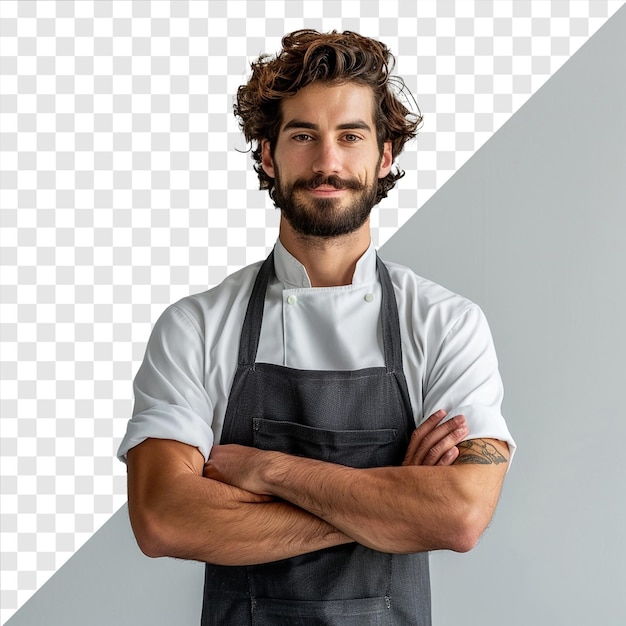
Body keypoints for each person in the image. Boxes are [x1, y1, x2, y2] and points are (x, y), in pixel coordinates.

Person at [118, 29, 515, 625]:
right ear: (268, 154)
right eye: (303, 136)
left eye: (350, 136)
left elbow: (459, 516)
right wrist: (391, 500)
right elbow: (163, 518)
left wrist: (266, 470)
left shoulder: (446, 324)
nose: (327, 162)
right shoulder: (196, 327)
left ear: (384, 156)